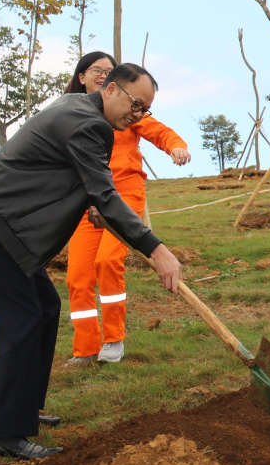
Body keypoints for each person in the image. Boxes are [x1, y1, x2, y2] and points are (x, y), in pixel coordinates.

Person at [0, 63, 182, 459]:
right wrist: (157, 250)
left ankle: (25, 407)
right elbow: (105, 193)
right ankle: (6, 436)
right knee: (21, 321)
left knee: (45, 307)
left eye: (145, 109)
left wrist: (92, 202)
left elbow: (83, 184)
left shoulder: (79, 108)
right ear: (110, 90)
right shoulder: (87, 122)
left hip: (3, 222)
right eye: (135, 103)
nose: (138, 114)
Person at [63, 52, 190, 366]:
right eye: (97, 70)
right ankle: (85, 348)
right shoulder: (71, 113)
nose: (103, 75)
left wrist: (176, 145)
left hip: (124, 196)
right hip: (86, 204)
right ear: (82, 76)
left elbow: (159, 130)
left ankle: (113, 338)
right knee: (77, 276)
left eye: (109, 71)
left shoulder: (127, 111)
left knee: (107, 260)